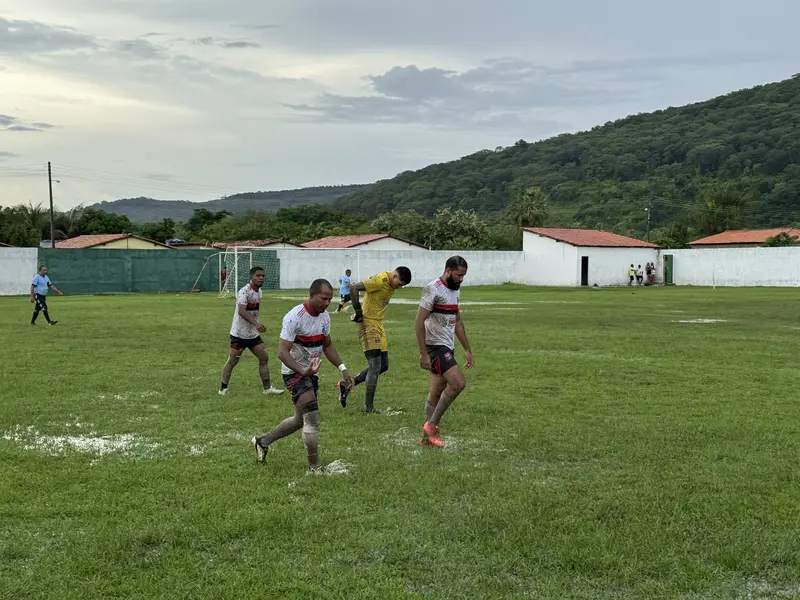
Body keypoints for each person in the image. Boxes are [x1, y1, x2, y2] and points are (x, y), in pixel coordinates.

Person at [252, 279, 355, 473]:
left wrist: (343, 368)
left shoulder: (325, 317)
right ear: (312, 295)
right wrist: (302, 371)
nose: (327, 303)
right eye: (323, 298)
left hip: (310, 373)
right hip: (294, 373)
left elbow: (327, 345)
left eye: (330, 299)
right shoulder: (294, 317)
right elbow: (282, 353)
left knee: (300, 420)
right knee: (312, 417)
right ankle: (314, 468)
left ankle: (262, 442)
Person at [415, 256, 473, 448]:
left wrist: (467, 349)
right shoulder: (432, 289)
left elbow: (457, 321)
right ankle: (432, 426)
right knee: (458, 383)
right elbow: (418, 322)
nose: (461, 279)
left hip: (447, 346)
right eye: (458, 275)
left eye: (463, 275)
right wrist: (423, 353)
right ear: (448, 270)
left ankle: (427, 440)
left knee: (436, 393)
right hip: (435, 346)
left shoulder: (455, 289)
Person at [336, 266, 412, 413]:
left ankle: (346, 386)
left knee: (383, 365)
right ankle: (369, 408)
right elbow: (353, 288)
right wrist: (358, 311)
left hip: (378, 325)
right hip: (368, 324)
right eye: (400, 284)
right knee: (375, 365)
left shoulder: (390, 283)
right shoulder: (380, 280)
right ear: (394, 276)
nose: (400, 287)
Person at [219, 266, 284, 396]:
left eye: (263, 276)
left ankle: (267, 389)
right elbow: (241, 311)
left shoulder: (259, 292)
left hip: (252, 334)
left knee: (263, 358)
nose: (261, 278)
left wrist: (255, 326)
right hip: (239, 334)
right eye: (258, 275)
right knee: (233, 361)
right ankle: (223, 389)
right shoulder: (244, 291)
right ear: (251, 277)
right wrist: (256, 324)